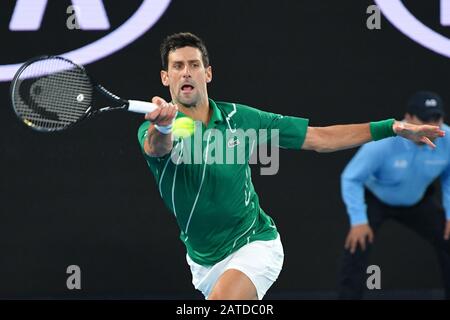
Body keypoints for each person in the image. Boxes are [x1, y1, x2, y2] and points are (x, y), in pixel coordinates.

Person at [137, 32, 444, 300]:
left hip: (254, 244)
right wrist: (164, 127)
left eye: (194, 65)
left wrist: (391, 127)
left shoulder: (241, 120)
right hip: (202, 261)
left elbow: (319, 138)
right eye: (177, 66)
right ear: (166, 77)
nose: (186, 72)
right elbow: (156, 147)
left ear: (208, 74)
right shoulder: (155, 130)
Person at [338, 91, 450, 300]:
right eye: (425, 119)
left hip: (417, 199)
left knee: (448, 237)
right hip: (376, 199)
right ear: (408, 118)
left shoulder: (447, 138)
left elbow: (449, 175)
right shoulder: (382, 143)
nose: (432, 125)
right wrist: (358, 220)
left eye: (437, 119)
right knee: (357, 244)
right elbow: (351, 178)